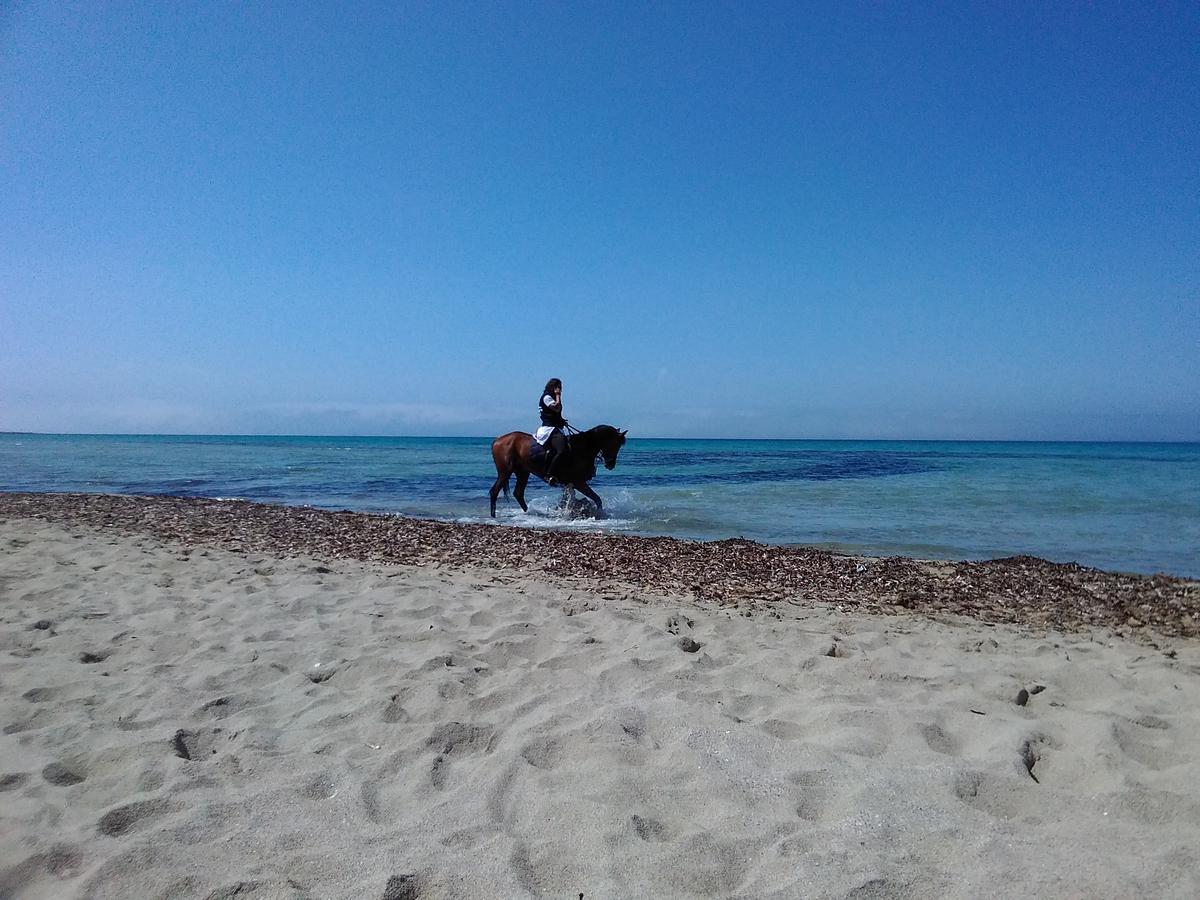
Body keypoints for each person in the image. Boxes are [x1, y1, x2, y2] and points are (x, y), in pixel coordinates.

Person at [534, 378, 570, 486]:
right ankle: (549, 474)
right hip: (549, 429)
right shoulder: (547, 397)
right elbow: (556, 408)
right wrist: (558, 395)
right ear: (554, 387)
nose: (561, 390)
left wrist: (561, 420)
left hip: (555, 427)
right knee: (561, 450)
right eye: (559, 387)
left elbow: (555, 413)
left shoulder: (550, 397)